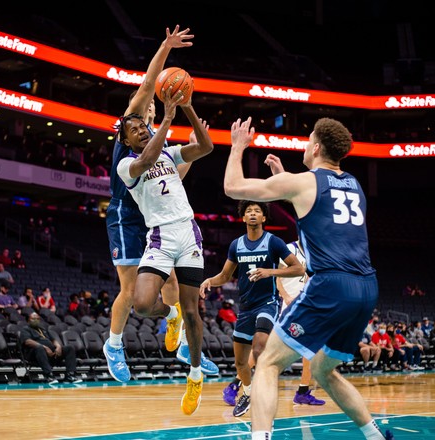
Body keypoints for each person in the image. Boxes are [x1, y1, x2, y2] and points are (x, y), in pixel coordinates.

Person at [223, 117, 394, 439]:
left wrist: (237, 147)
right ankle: (375, 435)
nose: (304, 145)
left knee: (269, 363)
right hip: (366, 287)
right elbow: (318, 209)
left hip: (331, 285)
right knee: (323, 370)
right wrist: (283, 179)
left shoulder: (305, 181)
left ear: (316, 147)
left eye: (307, 140)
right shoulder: (354, 184)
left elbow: (232, 187)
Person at [102, 25, 218, 389]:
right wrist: (166, 47)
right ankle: (114, 345)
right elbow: (149, 82)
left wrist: (192, 148)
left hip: (157, 218)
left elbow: (174, 179)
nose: (148, 106)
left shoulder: (160, 144)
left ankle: (183, 341)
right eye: (145, 105)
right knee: (130, 285)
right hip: (126, 213)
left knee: (171, 281)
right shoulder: (130, 132)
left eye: (152, 106)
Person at [116, 79, 213, 415]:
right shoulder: (126, 166)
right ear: (125, 140)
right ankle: (167, 314)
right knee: (141, 304)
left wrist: (186, 105)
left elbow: (206, 147)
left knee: (192, 311)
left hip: (187, 234)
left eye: (143, 124)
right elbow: (147, 160)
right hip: (158, 237)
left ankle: (196, 375)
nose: (140, 129)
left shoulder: (170, 153)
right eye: (133, 128)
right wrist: (168, 118)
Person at [199, 200, 305, 417]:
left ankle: (265, 389)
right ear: (244, 218)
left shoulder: (273, 242)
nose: (254, 214)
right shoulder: (236, 245)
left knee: (259, 347)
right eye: (249, 211)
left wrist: (270, 272)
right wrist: (210, 280)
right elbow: (225, 276)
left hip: (267, 303)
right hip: (245, 307)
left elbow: (298, 269)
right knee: (240, 362)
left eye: (257, 211)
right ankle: (247, 393)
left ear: (264, 218)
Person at [277, 239, 326, 405]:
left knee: (311, 349)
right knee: (268, 351)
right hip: (287, 307)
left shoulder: (309, 254)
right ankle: (236, 384)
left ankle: (303, 391)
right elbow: (277, 276)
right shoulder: (290, 249)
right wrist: (286, 296)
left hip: (301, 308)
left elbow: (303, 280)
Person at [20, 312, 82, 384]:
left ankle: (70, 375)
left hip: (51, 354)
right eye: (33, 319)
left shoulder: (42, 329)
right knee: (39, 348)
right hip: (35, 355)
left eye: (37, 319)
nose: (36, 320)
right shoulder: (25, 329)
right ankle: (49, 376)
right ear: (28, 320)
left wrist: (58, 347)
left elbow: (53, 340)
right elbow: (27, 341)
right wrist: (44, 347)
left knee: (69, 348)